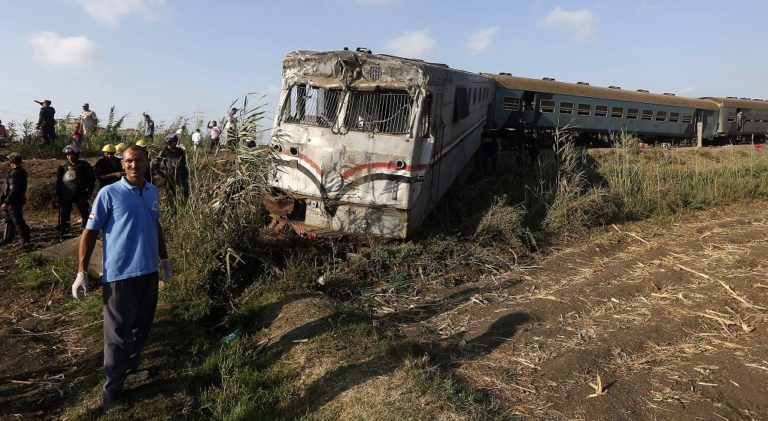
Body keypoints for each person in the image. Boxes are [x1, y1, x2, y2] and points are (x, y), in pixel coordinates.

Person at [72, 145, 172, 411]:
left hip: (148, 272)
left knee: (142, 326)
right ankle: (112, 392)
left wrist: (164, 259)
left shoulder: (152, 191)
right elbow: (90, 232)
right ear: (122, 163)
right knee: (117, 335)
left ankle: (130, 367)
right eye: (128, 161)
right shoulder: (109, 193)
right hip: (120, 276)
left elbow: (155, 224)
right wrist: (82, 271)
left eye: (138, 160)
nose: (133, 165)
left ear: (147, 162)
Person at [56, 145, 95, 237]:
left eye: (72, 154)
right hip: (66, 194)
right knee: (65, 213)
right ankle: (64, 231)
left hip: (80, 193)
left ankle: (88, 230)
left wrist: (89, 192)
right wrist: (58, 195)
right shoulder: (62, 167)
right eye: (68, 155)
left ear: (76, 154)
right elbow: (58, 182)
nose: (70, 157)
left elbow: (91, 179)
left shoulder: (84, 165)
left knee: (85, 212)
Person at [1, 153, 31, 246]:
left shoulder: (15, 173)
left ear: (11, 161)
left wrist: (6, 202)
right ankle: (8, 238)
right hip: (15, 200)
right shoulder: (18, 171)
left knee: (17, 221)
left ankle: (25, 240)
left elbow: (14, 190)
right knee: (9, 219)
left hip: (14, 201)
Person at [156, 134, 189, 212]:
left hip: (181, 177)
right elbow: (155, 166)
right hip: (170, 178)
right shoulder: (163, 152)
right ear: (169, 142)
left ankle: (185, 211)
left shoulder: (180, 151)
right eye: (174, 141)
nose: (176, 142)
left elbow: (184, 163)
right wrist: (164, 175)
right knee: (171, 196)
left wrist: (185, 173)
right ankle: (173, 213)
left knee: (185, 194)